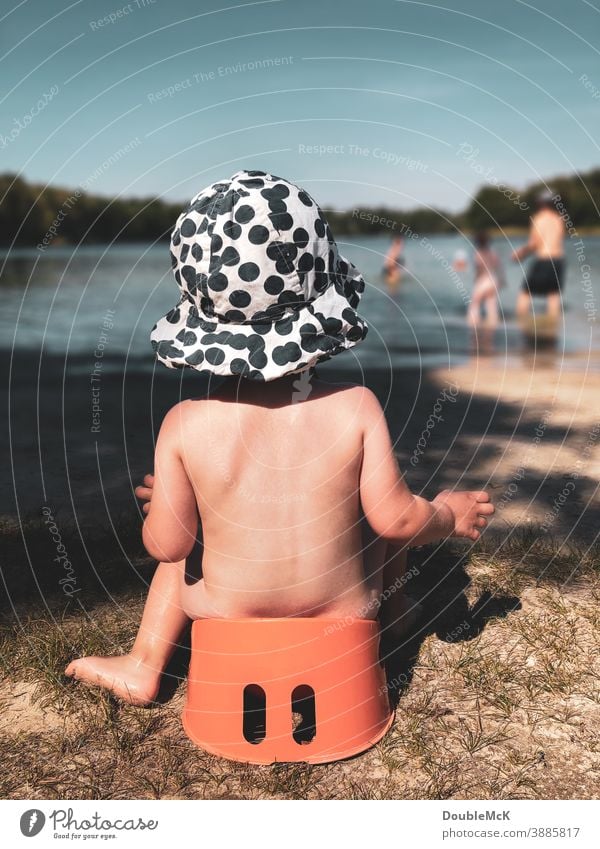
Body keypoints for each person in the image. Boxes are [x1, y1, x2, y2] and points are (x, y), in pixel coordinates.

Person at [65, 170, 494, 705]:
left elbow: (165, 544)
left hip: (226, 620)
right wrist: (448, 515)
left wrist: (178, 508)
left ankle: (143, 665)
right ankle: (398, 614)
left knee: (184, 555)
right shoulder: (355, 408)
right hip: (345, 620)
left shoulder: (185, 423)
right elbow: (397, 521)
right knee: (372, 510)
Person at [512, 189, 565, 321]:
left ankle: (521, 324)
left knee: (525, 293)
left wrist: (520, 253)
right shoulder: (559, 219)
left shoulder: (539, 218)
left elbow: (535, 243)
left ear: (540, 203)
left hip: (544, 260)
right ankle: (552, 327)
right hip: (558, 260)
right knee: (553, 294)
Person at [467, 231, 505, 330]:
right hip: (493, 280)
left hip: (483, 280)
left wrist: (476, 279)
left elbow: (479, 268)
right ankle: (493, 325)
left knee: (475, 304)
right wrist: (502, 281)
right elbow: (499, 268)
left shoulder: (478, 254)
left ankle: (472, 325)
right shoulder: (493, 253)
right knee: (491, 305)